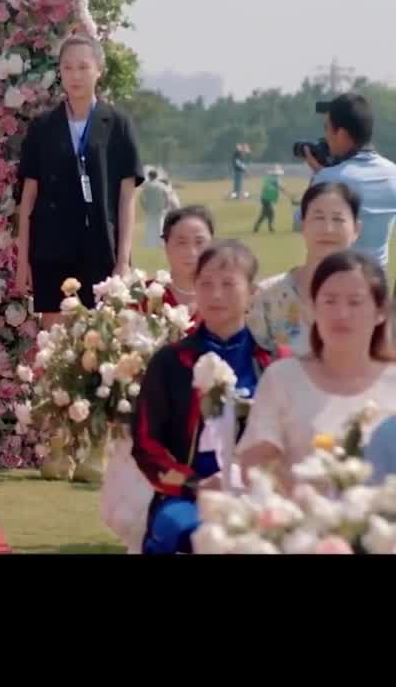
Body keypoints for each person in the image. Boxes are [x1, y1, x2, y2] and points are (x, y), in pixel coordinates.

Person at [132, 241, 286, 554]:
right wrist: (193, 484)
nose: (216, 295)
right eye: (206, 284)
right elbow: (146, 444)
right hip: (186, 495)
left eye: (228, 284)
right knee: (184, 530)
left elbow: (291, 440)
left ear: (252, 292)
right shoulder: (170, 362)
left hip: (259, 494)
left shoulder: (274, 363)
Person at [14, 34, 145, 326]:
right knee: (54, 344)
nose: (75, 76)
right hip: (52, 252)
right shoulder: (42, 127)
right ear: (59, 72)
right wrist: (23, 262)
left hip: (102, 251)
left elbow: (127, 198)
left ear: (99, 70)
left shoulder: (118, 124)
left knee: (102, 340)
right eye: (68, 68)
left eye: (83, 67)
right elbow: (28, 199)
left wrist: (123, 260)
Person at [238, 249, 396, 487]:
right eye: (330, 301)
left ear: (381, 311)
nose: (341, 314)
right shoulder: (282, 378)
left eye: (355, 302)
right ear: (312, 308)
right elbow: (255, 467)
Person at [249, 181, 361, 354]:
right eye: (318, 218)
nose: (328, 229)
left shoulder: (370, 298)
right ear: (302, 226)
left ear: (356, 229)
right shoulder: (268, 296)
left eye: (338, 219)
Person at [300, 93, 396, 275]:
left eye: (327, 129)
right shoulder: (393, 173)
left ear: (342, 135)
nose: (325, 137)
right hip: (376, 283)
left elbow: (302, 222)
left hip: (336, 280)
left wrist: (318, 176)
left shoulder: (328, 178)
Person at [153, 204, 215, 314]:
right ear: (166, 246)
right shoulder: (146, 295)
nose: (191, 252)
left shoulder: (225, 295)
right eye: (182, 243)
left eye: (199, 242)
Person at [137, 169, 171, 251]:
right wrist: (166, 206)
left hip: (150, 209)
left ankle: (150, 243)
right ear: (156, 176)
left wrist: (144, 206)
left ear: (149, 176)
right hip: (160, 208)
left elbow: (141, 197)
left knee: (150, 226)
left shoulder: (147, 185)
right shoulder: (161, 185)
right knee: (160, 225)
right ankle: (160, 243)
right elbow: (167, 196)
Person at [253, 164, 285, 233]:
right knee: (271, 213)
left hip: (264, 198)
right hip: (267, 198)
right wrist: (287, 192)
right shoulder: (275, 178)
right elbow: (280, 187)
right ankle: (270, 227)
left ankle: (256, 227)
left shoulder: (268, 178)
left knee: (264, 214)